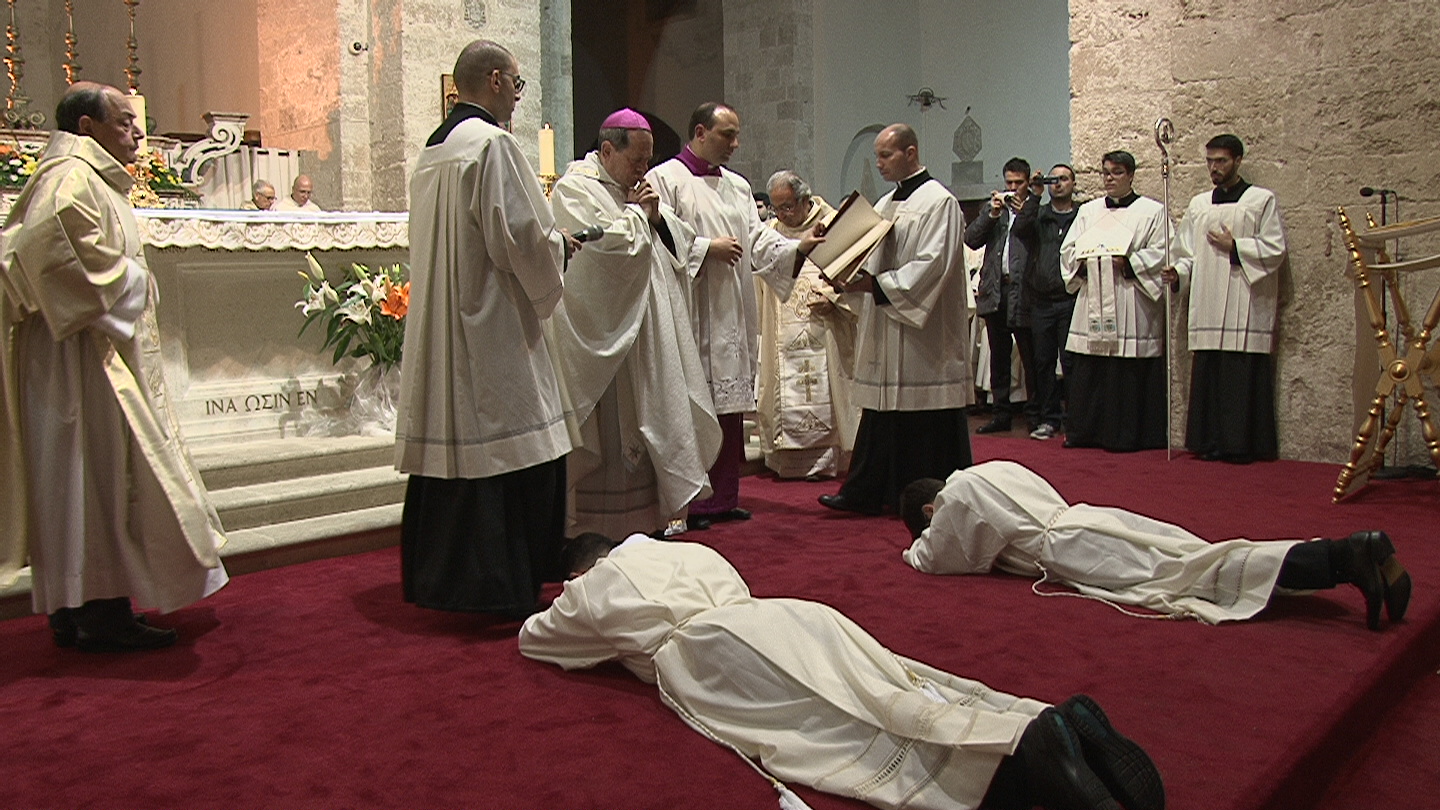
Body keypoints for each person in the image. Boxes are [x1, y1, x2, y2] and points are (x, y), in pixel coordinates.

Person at [521, 533, 1165, 810]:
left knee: (841, 732)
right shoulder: (686, 549)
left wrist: (569, 602)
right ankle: (1032, 720)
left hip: (716, 651)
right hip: (793, 616)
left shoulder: (591, 590)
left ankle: (1013, 755)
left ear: (584, 567)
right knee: (894, 687)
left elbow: (538, 642)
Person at [0, 82, 229, 652]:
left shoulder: (79, 176)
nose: (137, 132)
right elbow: (51, 248)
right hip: (78, 356)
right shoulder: (69, 178)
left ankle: (77, 606)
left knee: (83, 480)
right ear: (87, 127)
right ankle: (98, 612)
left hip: (82, 346)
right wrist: (131, 282)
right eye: (125, 121)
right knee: (94, 477)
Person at [395, 40, 577, 619]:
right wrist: (560, 251)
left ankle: (439, 578)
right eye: (518, 86)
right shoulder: (492, 145)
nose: (518, 98)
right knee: (509, 438)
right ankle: (497, 581)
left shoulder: (434, 150)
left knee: (458, 447)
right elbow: (520, 236)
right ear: (495, 80)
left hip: (445, 315)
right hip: (490, 318)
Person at [900, 461, 1411, 630]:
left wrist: (910, 549)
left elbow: (938, 558)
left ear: (929, 511)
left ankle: (1346, 555)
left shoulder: (958, 495)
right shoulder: (991, 468)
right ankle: (1356, 557)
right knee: (1200, 556)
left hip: (1075, 549)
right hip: (1092, 519)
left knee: (1199, 575)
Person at [547, 108, 721, 539]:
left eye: (647, 161)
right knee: (609, 430)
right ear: (607, 150)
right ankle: (592, 533)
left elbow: (673, 236)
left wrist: (656, 218)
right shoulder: (574, 189)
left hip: (645, 335)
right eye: (636, 161)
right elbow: (603, 250)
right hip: (604, 338)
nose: (644, 171)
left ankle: (644, 524)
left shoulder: (636, 192)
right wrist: (642, 217)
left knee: (652, 417)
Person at [646, 102, 818, 529]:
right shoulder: (665, 179)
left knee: (728, 409)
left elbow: (758, 239)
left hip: (731, 311)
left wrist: (798, 248)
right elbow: (654, 233)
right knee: (694, 405)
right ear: (700, 132)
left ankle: (723, 498)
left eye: (737, 135)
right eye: (728, 135)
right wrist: (706, 249)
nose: (736, 144)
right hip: (693, 308)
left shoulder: (739, 187)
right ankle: (694, 502)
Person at [818, 123, 972, 516]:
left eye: (886, 155)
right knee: (882, 412)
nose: (880, 164)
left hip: (925, 337)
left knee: (923, 419)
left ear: (911, 152)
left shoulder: (940, 202)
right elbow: (867, 254)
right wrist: (840, 262)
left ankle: (926, 495)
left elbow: (932, 264)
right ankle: (866, 492)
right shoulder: (885, 204)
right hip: (888, 325)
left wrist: (877, 287)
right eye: (877, 157)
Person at [1164, 134, 1286, 463]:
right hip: (1207, 299)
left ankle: (1242, 445)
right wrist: (1178, 273)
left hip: (1244, 300)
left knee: (1240, 372)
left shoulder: (1261, 200)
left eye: (1221, 161)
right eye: (1210, 162)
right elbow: (1186, 252)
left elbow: (1274, 249)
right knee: (1209, 373)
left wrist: (1237, 246)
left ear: (1238, 161)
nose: (1214, 168)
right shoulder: (1199, 204)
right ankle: (1210, 441)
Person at [1059, 151, 1169, 451]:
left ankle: (1127, 436)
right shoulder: (1089, 211)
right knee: (1090, 368)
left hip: (1129, 298)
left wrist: (1130, 262)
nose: (1109, 178)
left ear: (1131, 175)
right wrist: (1080, 262)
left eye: (1116, 172)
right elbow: (1068, 250)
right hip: (1093, 296)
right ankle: (1086, 431)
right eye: (1105, 172)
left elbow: (1164, 252)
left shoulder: (1152, 212)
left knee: (1125, 370)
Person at [756, 169, 859, 480]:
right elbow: (761, 278)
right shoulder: (772, 231)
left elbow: (852, 268)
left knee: (826, 388)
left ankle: (829, 462)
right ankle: (789, 463)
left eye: (787, 207)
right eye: (776, 208)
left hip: (825, 325)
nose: (782, 215)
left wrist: (835, 299)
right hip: (782, 330)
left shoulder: (831, 223)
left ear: (803, 199)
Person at [967, 157, 1039, 434]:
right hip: (996, 288)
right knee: (998, 355)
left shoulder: (1034, 210)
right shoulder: (995, 212)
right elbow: (971, 238)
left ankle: (1034, 412)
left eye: (1018, 183)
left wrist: (1027, 209)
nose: (1013, 188)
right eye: (1008, 182)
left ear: (1027, 182)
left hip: (1023, 290)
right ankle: (1000, 412)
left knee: (1030, 355)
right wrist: (991, 214)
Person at [1013, 164, 1080, 441]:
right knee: (1043, 362)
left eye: (1064, 179)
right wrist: (1034, 195)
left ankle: (1075, 420)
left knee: (1071, 362)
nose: (1058, 184)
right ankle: (1049, 419)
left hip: (1070, 299)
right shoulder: (1038, 214)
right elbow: (1019, 229)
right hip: (1040, 301)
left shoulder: (1082, 216)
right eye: (1054, 180)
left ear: (1073, 183)